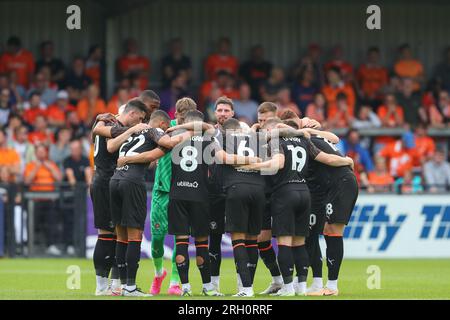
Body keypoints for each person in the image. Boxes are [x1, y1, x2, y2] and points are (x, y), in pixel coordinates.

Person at [243, 118, 353, 296]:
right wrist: (347, 160)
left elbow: (277, 163)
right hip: (304, 193)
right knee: (301, 242)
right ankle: (301, 287)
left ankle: (287, 288)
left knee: (285, 242)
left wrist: (253, 165)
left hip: (285, 193)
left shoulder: (277, 142)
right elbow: (328, 158)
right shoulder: (304, 141)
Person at [115, 98, 197, 296]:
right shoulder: (165, 128)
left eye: (187, 116)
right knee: (158, 238)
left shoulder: (198, 130)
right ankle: (159, 272)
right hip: (162, 190)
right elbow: (153, 152)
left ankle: (176, 282)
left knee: (181, 239)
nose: (182, 120)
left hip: (184, 191)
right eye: (180, 116)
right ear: (175, 114)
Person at [90, 99, 151, 296]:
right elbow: (110, 146)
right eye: (140, 118)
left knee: (112, 234)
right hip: (108, 181)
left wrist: (98, 118)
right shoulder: (116, 127)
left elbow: (95, 132)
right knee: (110, 235)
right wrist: (133, 131)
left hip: (101, 179)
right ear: (132, 114)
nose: (140, 122)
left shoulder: (104, 122)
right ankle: (105, 286)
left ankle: (112, 285)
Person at [23, 144, 63, 255]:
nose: (41, 153)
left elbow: (59, 178)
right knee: (32, 224)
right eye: (39, 152)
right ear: (35, 153)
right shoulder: (30, 165)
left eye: (43, 151)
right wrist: (36, 168)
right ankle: (29, 246)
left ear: (46, 153)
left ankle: (51, 245)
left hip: (49, 199)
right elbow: (27, 181)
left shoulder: (51, 164)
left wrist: (49, 167)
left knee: (51, 223)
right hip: (35, 200)